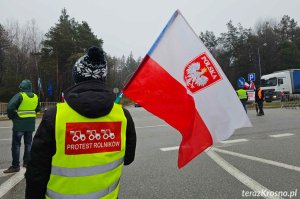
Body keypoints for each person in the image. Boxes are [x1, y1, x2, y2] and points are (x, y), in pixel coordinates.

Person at [25, 46, 137, 199]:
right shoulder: (123, 116)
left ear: (76, 78)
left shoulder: (54, 116)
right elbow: (128, 159)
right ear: (103, 78)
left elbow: (36, 173)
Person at [4, 79, 40, 173]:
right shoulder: (36, 97)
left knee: (16, 145)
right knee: (28, 144)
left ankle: (15, 166)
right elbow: (38, 109)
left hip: (19, 124)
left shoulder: (20, 95)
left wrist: (13, 116)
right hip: (30, 125)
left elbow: (10, 107)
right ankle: (27, 163)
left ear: (22, 87)